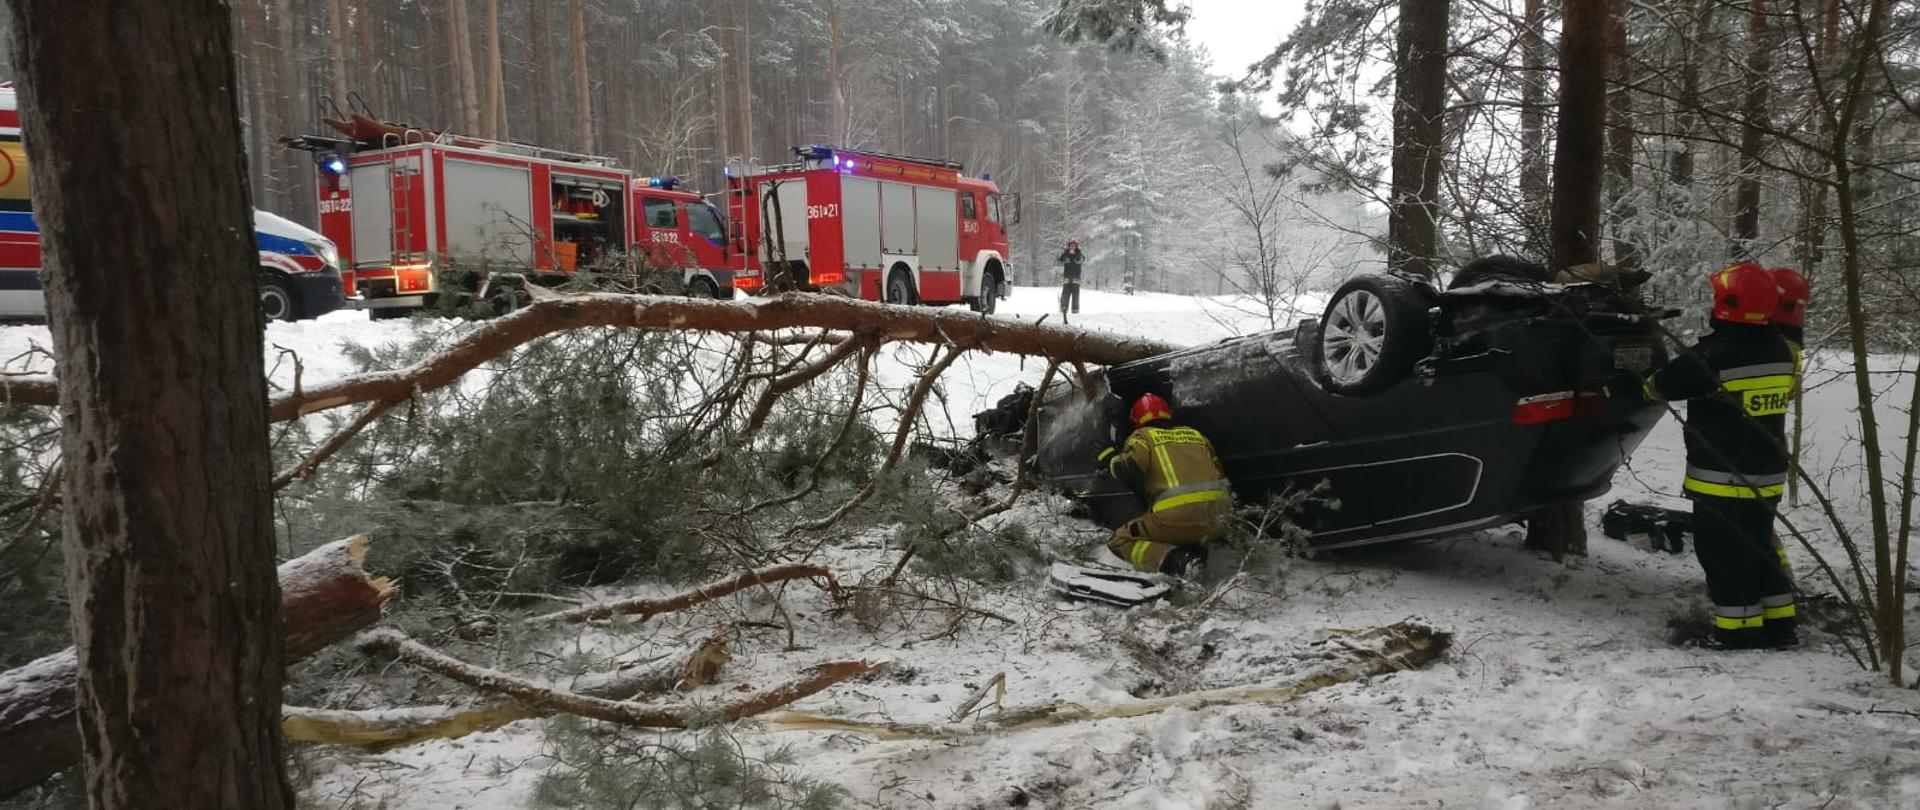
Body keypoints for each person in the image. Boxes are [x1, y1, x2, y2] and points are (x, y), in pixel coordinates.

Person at [1646, 263, 1799, 650]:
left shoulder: (1715, 355)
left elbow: (1659, 386)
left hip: (1722, 478)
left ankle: (1737, 632)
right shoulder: (1780, 350)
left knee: (1724, 557)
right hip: (1766, 476)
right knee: (1760, 548)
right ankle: (1781, 625)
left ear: (1727, 305)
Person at [1096, 393, 1231, 578]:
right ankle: (1192, 547)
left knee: (1119, 540)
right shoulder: (1196, 435)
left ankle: (1178, 561)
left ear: (1136, 421)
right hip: (1219, 521)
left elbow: (1131, 469)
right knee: (1187, 525)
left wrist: (1109, 458)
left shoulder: (1142, 436)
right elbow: (1220, 474)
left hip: (1176, 520)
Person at [1057, 237, 1084, 315]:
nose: (1072, 246)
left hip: (1076, 279)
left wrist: (1075, 255)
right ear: (1069, 245)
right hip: (1067, 279)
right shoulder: (1066, 253)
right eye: (1071, 245)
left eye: (1074, 245)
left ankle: (1075, 311)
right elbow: (1060, 259)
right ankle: (1063, 310)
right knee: (1065, 295)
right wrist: (1067, 253)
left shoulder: (1079, 254)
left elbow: (1081, 260)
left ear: (1076, 246)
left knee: (1076, 296)